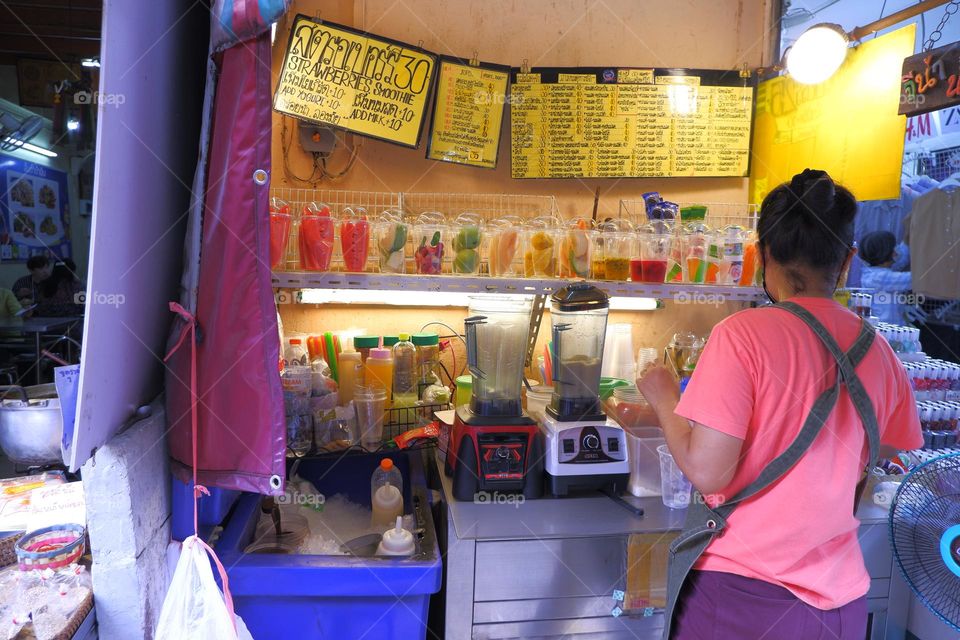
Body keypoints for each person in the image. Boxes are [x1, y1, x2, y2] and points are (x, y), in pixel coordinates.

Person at [638, 169, 922, 640]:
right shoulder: (880, 350)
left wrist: (666, 398)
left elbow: (708, 473)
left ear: (762, 254)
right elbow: (890, 447)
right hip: (841, 601)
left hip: (741, 596)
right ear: (847, 259)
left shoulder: (741, 336)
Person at [859, 230, 913, 324]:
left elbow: (901, 261)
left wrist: (908, 237)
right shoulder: (880, 278)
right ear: (889, 253)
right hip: (885, 332)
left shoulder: (873, 273)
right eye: (895, 247)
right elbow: (912, 280)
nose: (897, 250)